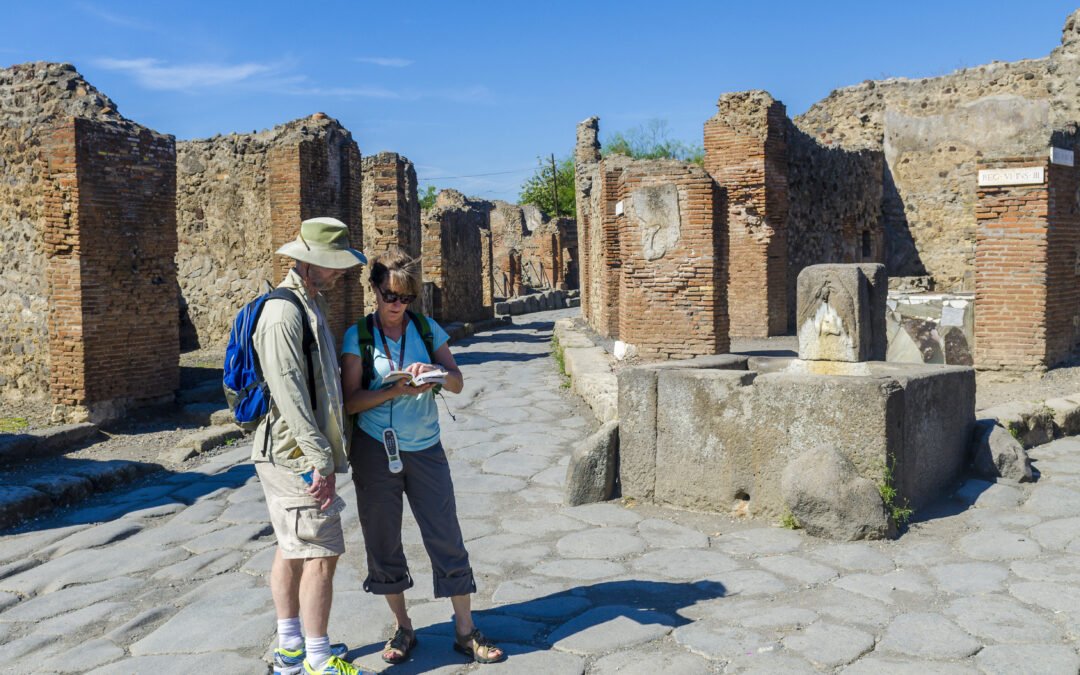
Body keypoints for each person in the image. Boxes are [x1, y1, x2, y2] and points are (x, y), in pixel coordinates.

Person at [341, 247, 505, 665]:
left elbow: (457, 383)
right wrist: (395, 389)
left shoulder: (427, 330)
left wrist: (432, 375)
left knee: (445, 535)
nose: (397, 305)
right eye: (390, 296)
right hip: (375, 450)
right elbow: (351, 401)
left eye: (406, 298)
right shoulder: (357, 336)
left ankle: (465, 630)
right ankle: (404, 627)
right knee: (383, 540)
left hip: (425, 447)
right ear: (374, 289)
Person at [253, 217, 367, 675]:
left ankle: (291, 651)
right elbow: (290, 393)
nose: (339, 273)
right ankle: (317, 661)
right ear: (307, 263)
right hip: (296, 455)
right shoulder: (284, 313)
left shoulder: (309, 302)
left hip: (295, 451)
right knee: (322, 553)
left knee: (292, 547)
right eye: (332, 265)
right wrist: (319, 458)